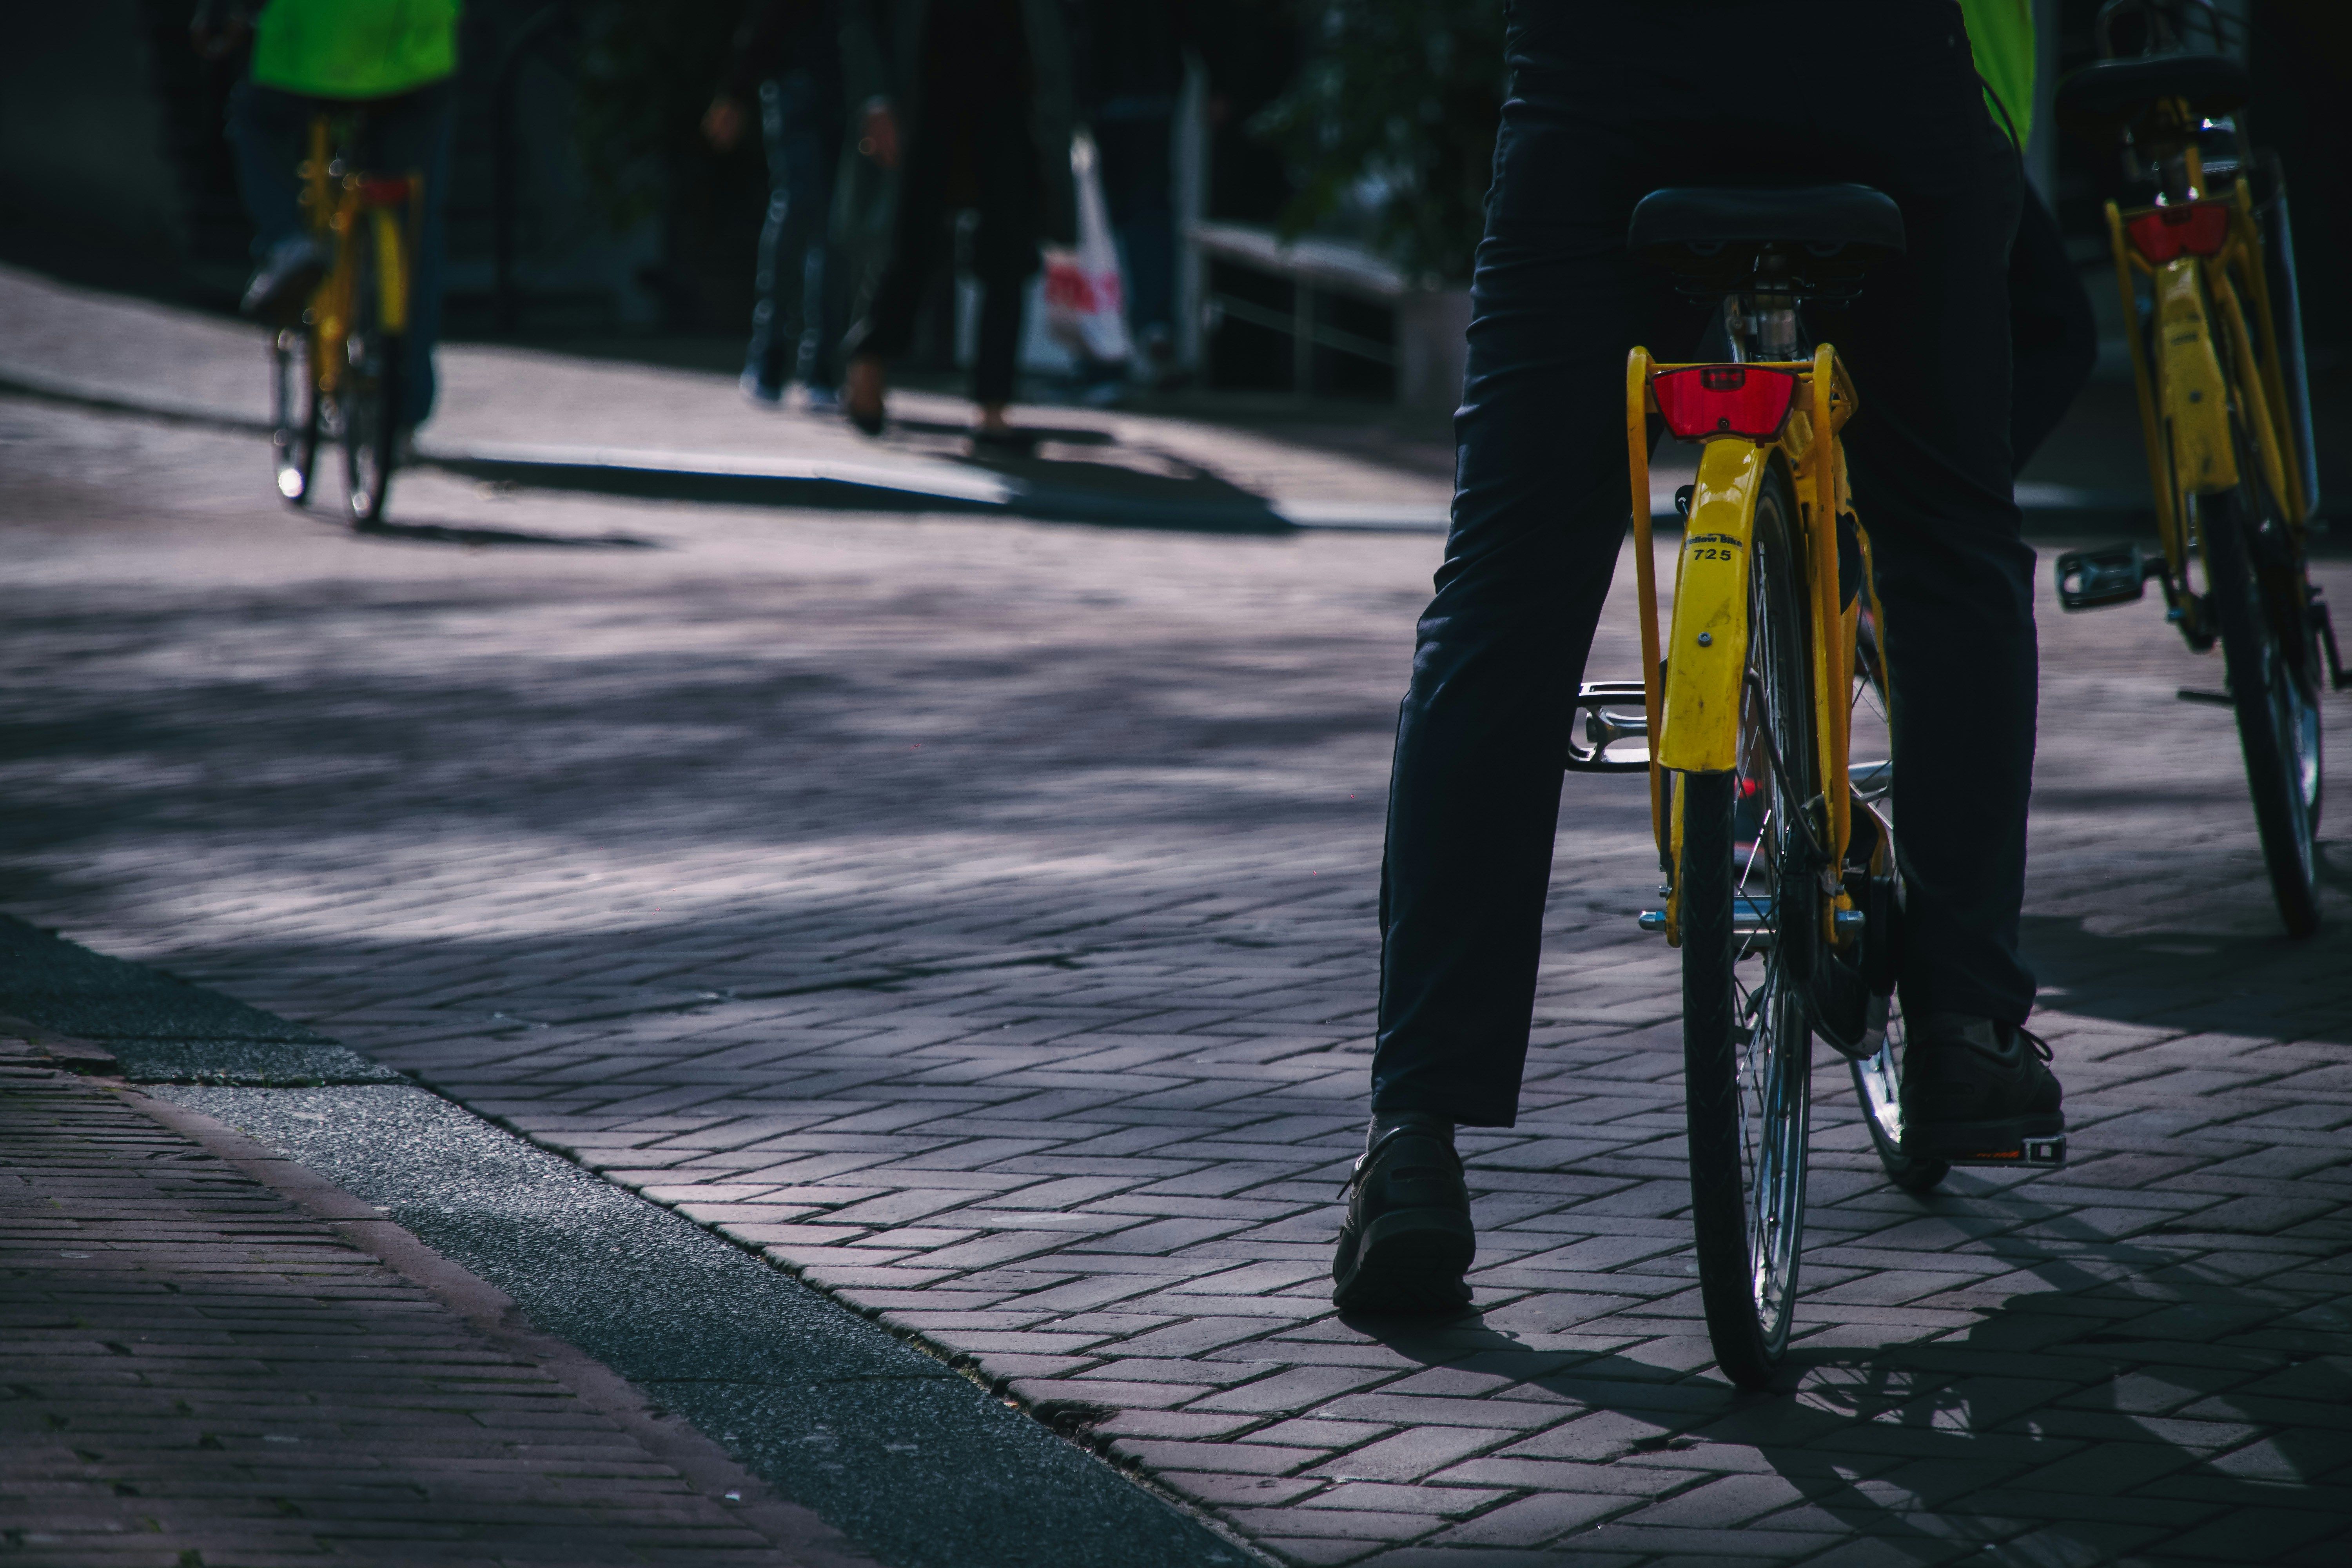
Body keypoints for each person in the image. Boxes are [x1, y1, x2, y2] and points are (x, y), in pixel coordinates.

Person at [1336, 0, 2076, 1316]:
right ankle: (1965, 1027)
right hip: (1879, 64)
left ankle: (1414, 1143)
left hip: (1607, 70)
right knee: (1951, 537)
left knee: (1504, 585)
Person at [194, 0, 459, 437]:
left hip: (309, 53)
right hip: (415, 50)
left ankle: (287, 242)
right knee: (415, 227)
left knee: (255, 122)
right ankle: (403, 406)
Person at [837, 0, 1078, 443]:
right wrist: (875, 100)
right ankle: (870, 356)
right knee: (914, 245)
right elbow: (861, 16)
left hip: (1014, 97)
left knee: (1009, 253)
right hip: (929, 93)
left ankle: (993, 406)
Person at [704, 1, 849, 410]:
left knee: (834, 222)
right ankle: (773, 352)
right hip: (799, 78)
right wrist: (735, 90)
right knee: (803, 207)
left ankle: (819, 362)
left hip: (847, 81)